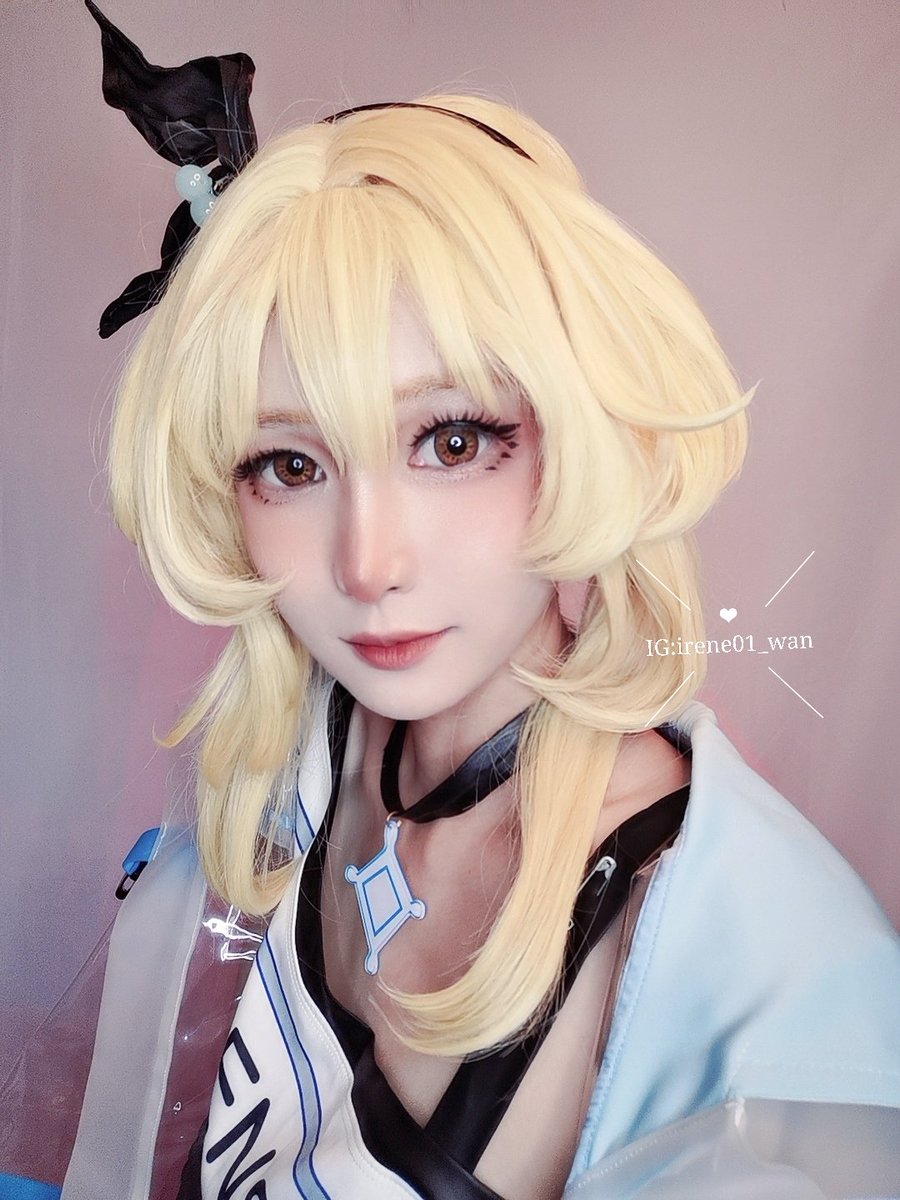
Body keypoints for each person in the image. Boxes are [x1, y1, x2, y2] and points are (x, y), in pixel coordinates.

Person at [21, 6, 900, 1200]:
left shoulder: (762, 974)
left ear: (581, 434)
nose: (369, 563)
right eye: (291, 463)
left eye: (451, 440)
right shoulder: (302, 750)